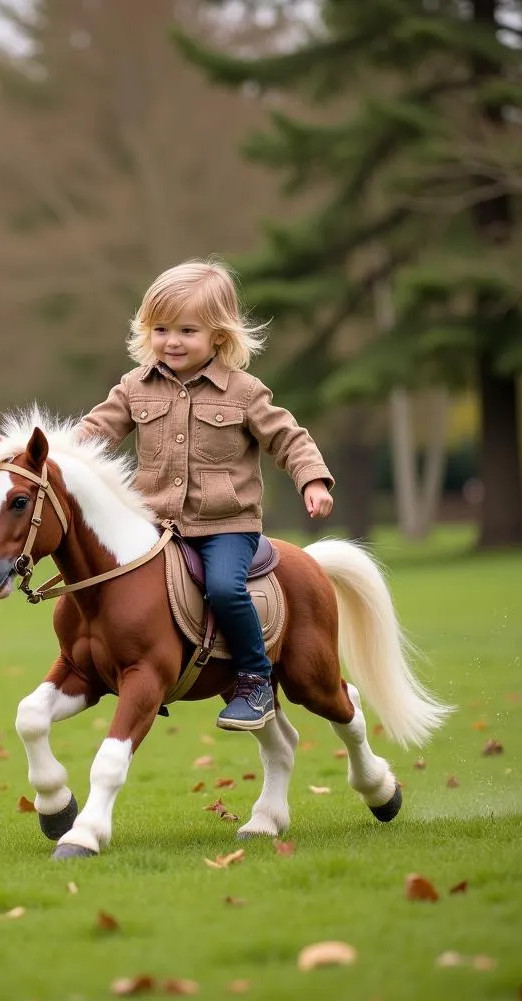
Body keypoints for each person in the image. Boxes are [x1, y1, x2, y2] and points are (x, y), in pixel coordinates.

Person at [76, 258, 334, 731]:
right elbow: (98, 428)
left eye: (187, 330)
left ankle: (254, 679)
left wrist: (312, 479)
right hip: (155, 526)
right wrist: (58, 454)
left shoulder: (244, 392)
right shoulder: (135, 387)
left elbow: (288, 437)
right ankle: (150, 666)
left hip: (225, 527)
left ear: (219, 335)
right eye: (161, 328)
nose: (171, 341)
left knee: (222, 588)